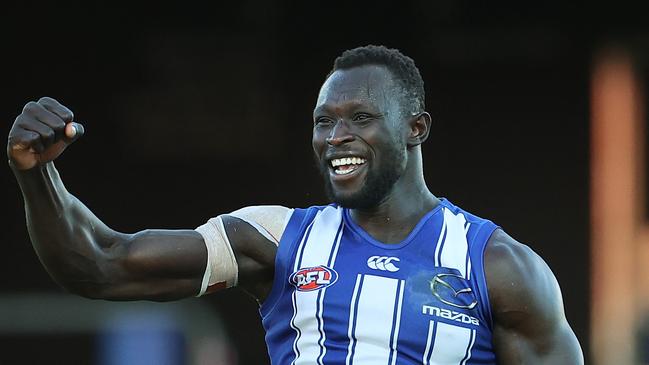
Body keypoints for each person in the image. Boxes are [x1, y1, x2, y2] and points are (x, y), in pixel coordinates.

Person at [7, 45, 583, 364]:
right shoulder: (277, 238)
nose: (336, 137)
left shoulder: (498, 266)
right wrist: (38, 176)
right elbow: (101, 265)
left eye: (360, 118)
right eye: (323, 122)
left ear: (415, 128)